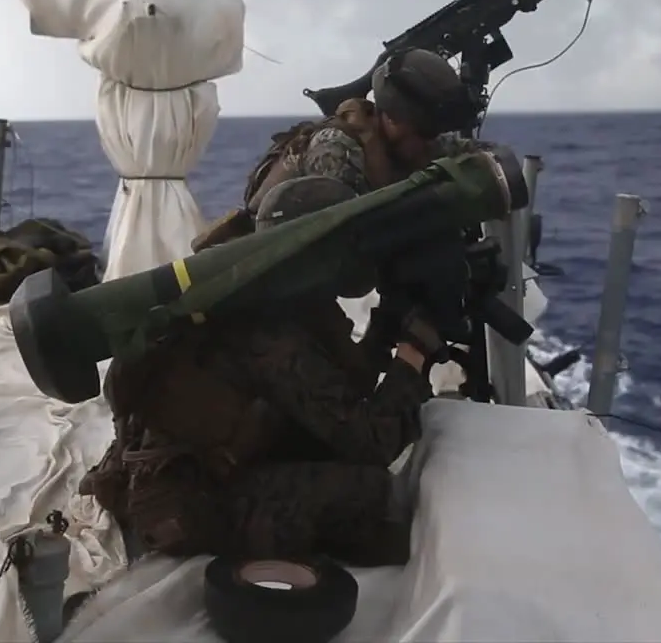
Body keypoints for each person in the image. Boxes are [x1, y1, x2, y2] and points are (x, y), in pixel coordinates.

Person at [78, 176, 447, 567]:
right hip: (182, 505)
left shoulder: (259, 291)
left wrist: (384, 330)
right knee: (369, 489)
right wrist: (413, 356)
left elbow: (337, 389)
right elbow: (373, 440)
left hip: (182, 465)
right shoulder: (269, 332)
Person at [191, 47, 497, 252]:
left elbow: (481, 157)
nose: (431, 142)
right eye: (425, 131)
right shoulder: (336, 152)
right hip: (272, 267)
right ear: (390, 117)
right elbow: (354, 239)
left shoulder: (412, 139)